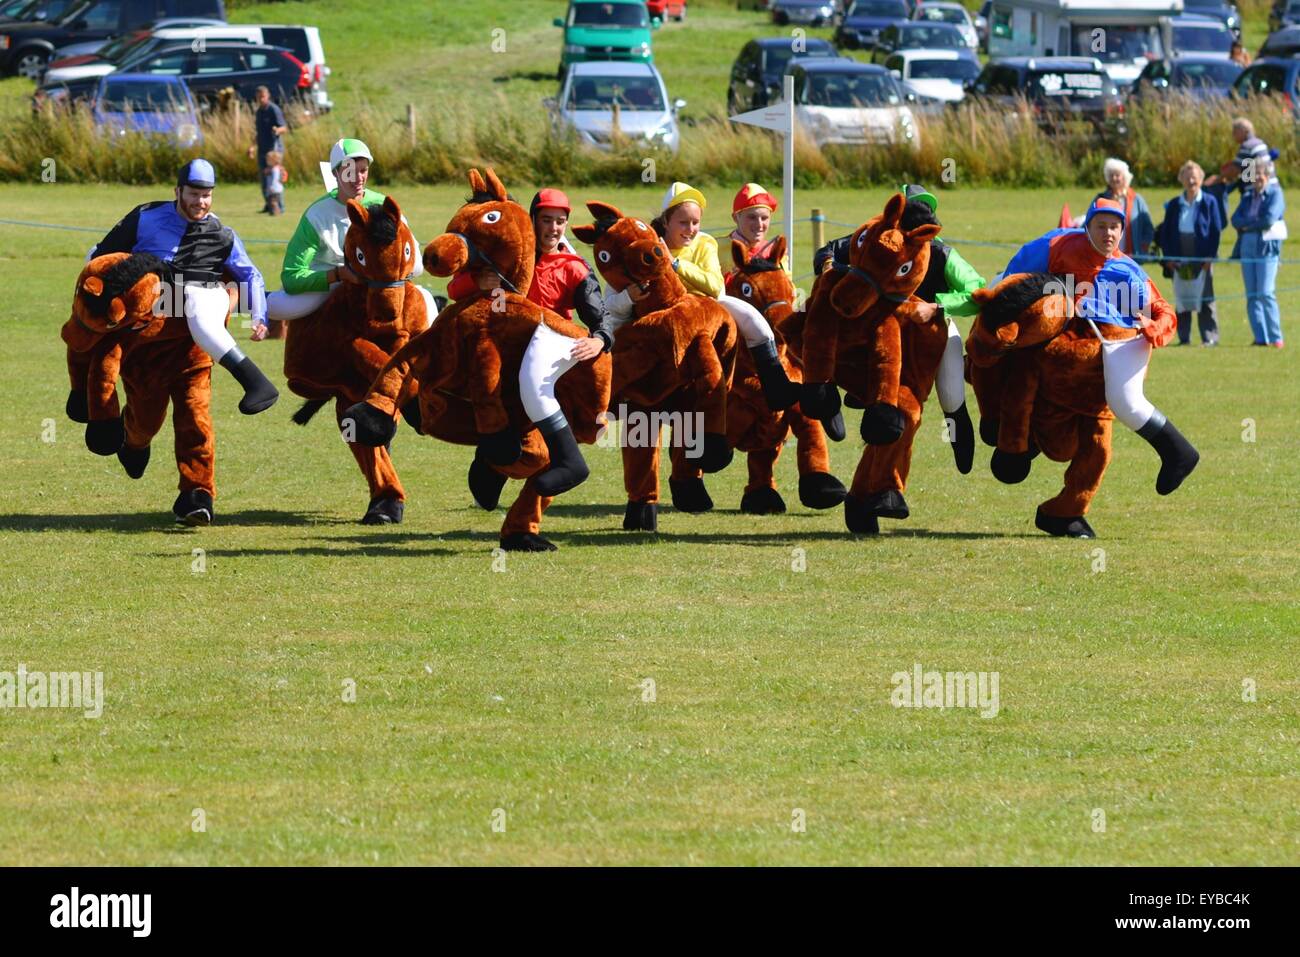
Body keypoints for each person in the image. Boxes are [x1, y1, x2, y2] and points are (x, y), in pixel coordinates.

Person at [1000, 198, 1199, 495]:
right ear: (1087, 227)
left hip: (1124, 339)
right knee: (1035, 369)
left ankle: (1179, 453)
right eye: (1101, 226)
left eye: (1115, 227)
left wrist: (1154, 329)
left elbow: (1163, 311)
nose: (1108, 233)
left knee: (1125, 402)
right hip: (1078, 341)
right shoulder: (1058, 247)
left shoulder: (1127, 270)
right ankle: (1024, 441)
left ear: (1122, 231)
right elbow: (1014, 273)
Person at [444, 187, 617, 497]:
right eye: (546, 220)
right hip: (504, 353)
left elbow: (600, 318)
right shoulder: (510, 255)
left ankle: (531, 475)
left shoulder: (573, 267)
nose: (553, 228)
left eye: (560, 221)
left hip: (546, 359)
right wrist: (476, 282)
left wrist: (600, 340)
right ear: (532, 220)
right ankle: (492, 460)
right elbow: (454, 289)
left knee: (538, 449)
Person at [813, 184, 985, 472]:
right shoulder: (880, 239)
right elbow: (829, 249)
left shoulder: (941, 254)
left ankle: (961, 443)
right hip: (879, 328)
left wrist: (937, 307)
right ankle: (835, 402)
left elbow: (977, 292)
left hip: (929, 333)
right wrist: (830, 268)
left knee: (952, 394)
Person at [91, 159, 278, 415]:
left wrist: (260, 316)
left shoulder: (223, 234)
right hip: (147, 319)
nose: (200, 202)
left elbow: (250, 274)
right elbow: (101, 256)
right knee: (145, 404)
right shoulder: (145, 217)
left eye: (206, 195)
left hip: (200, 307)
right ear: (177, 191)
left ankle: (255, 382)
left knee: (193, 411)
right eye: (193, 194)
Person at [604, 182, 799, 410]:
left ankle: (776, 384)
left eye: (695, 222)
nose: (690, 229)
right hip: (663, 316)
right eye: (683, 222)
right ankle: (612, 396)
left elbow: (716, 288)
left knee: (755, 321)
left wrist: (675, 264)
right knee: (616, 331)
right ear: (666, 221)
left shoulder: (705, 242)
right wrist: (629, 297)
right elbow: (608, 304)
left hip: (707, 308)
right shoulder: (647, 247)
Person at [266, 138, 435, 323]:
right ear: (336, 173)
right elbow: (291, 277)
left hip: (380, 281)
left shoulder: (383, 205)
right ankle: (245, 298)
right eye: (349, 172)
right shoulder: (317, 214)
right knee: (277, 308)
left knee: (426, 300)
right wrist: (338, 275)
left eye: (363, 170)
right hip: (333, 280)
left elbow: (416, 264)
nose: (358, 178)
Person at [1155, 161, 1225, 346]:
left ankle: (1210, 337)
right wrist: (1168, 259)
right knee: (1182, 297)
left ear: (1201, 179)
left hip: (1203, 256)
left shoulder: (1210, 202)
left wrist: (1210, 257)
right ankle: (1184, 338)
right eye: (1187, 177)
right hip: (1179, 257)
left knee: (1205, 297)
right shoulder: (1173, 204)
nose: (1191, 180)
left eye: (1194, 177)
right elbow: (1166, 233)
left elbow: (1215, 231)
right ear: (1181, 180)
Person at [1231, 157, 1286, 348]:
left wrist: (1248, 225)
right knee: (1252, 294)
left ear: (1267, 176)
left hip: (1266, 249)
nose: (1258, 179)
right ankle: (1261, 338)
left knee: (1265, 292)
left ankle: (1276, 337)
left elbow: (1269, 219)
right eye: (1254, 176)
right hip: (1247, 248)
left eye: (1261, 175)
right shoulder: (1247, 197)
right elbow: (1235, 219)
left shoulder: (1275, 194)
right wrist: (1251, 225)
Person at [726, 183, 790, 279]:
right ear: (735, 217)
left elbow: (787, 287)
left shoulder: (774, 251)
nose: (759, 224)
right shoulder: (715, 249)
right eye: (752, 217)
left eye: (764, 218)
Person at [1094, 158, 1154, 259]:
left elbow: (1148, 228)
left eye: (1117, 175)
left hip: (1132, 256)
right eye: (1111, 175)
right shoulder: (1100, 199)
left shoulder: (1137, 200)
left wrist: (1143, 247)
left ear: (1124, 177)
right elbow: (1089, 224)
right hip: (1105, 255)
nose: (1114, 178)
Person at [248, 86, 287, 214]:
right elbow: (257, 133)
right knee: (264, 179)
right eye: (259, 97)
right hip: (262, 149)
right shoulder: (259, 112)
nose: (261, 99)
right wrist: (252, 147)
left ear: (268, 96)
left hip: (274, 150)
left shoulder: (274, 110)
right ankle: (269, 204)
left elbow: (284, 128)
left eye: (263, 96)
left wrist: (277, 130)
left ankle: (279, 206)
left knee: (275, 178)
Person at [263, 149, 287, 217]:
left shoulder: (275, 169)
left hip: (275, 189)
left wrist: (272, 187)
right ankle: (274, 212)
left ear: (274, 160)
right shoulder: (273, 169)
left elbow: (275, 179)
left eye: (268, 160)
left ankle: (276, 212)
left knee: (273, 202)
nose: (267, 162)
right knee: (273, 201)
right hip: (276, 188)